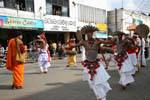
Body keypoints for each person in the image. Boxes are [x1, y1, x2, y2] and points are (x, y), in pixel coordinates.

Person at [70, 25, 111, 100]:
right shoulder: (83, 42)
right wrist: (69, 46)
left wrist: (109, 45)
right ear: (85, 34)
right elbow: (74, 45)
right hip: (87, 64)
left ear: (93, 33)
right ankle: (99, 95)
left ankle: (101, 97)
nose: (89, 34)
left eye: (91, 33)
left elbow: (105, 44)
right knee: (91, 81)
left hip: (97, 64)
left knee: (99, 80)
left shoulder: (97, 41)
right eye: (88, 33)